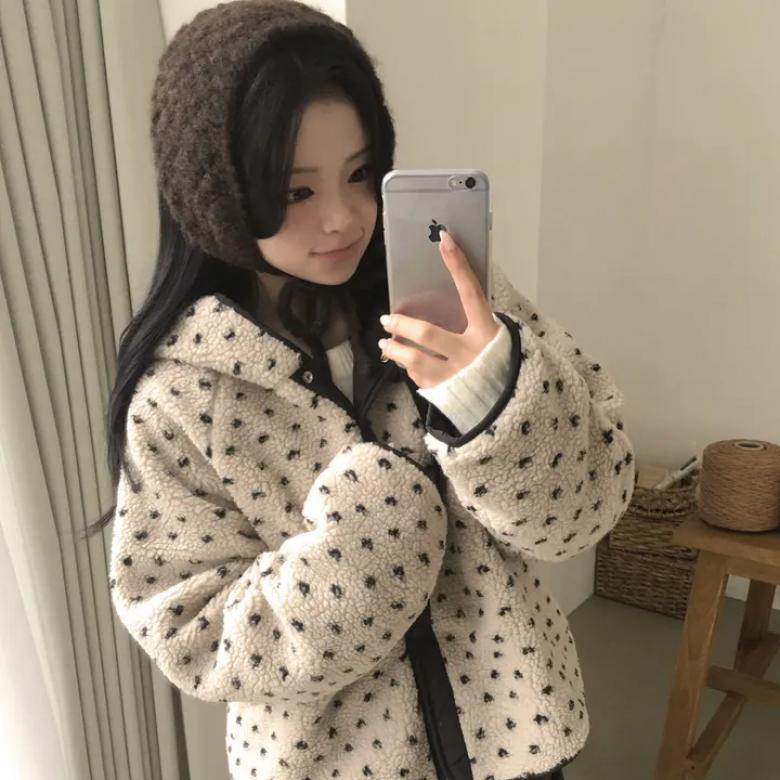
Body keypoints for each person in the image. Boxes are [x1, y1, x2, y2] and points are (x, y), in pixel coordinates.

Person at [85, 2, 636, 778]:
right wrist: (371, 538)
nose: (343, 218)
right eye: (295, 192)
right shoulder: (180, 395)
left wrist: (495, 399)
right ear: (217, 193)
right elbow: (194, 631)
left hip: (519, 737)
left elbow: (590, 508)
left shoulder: (457, 301)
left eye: (359, 173)